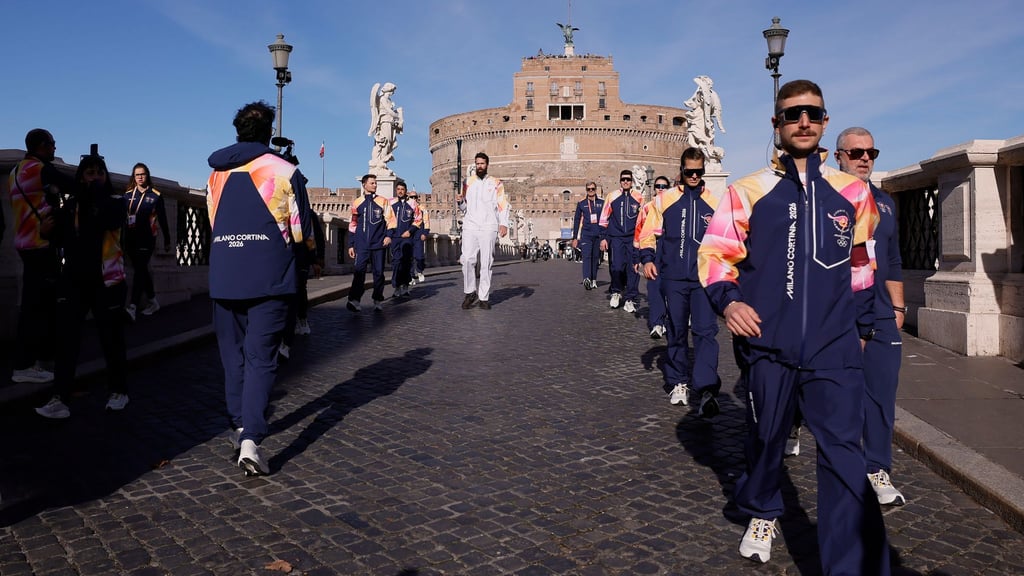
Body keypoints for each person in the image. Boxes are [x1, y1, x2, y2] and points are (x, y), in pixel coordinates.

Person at [697, 79, 889, 572]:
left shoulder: (854, 192)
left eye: (812, 113)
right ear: (776, 125)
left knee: (846, 457)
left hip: (836, 348)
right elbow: (716, 254)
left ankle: (849, 566)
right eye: (792, 113)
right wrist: (729, 302)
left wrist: (863, 329)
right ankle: (762, 507)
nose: (803, 121)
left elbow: (862, 263)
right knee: (765, 438)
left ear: (825, 122)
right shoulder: (748, 190)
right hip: (768, 346)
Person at [206, 100, 315, 476]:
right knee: (261, 358)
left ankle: (238, 424)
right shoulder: (284, 170)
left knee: (232, 357)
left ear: (236, 131)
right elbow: (300, 230)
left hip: (224, 274)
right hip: (269, 276)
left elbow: (213, 221)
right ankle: (251, 436)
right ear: (269, 132)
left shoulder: (216, 174)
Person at [836, 126, 907, 506]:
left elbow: (894, 260)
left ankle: (876, 467)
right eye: (856, 153)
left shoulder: (885, 203)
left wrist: (898, 309)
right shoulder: (825, 200)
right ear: (839, 157)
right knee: (835, 395)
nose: (864, 158)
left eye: (871, 153)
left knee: (881, 393)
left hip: (880, 311)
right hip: (835, 312)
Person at [36, 145, 130, 418]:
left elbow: (106, 221)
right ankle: (60, 397)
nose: (95, 177)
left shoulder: (114, 203)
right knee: (66, 342)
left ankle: (119, 390)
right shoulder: (71, 208)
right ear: (80, 177)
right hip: (74, 280)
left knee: (111, 339)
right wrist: (45, 231)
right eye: (89, 173)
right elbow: (59, 239)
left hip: (107, 282)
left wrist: (85, 190)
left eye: (99, 173)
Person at [640, 153, 720, 416]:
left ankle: (707, 389)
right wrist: (648, 259)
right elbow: (648, 233)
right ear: (682, 171)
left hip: (703, 279)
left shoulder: (715, 202)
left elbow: (725, 240)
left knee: (706, 332)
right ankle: (678, 382)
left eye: (699, 172)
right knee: (676, 331)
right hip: (673, 277)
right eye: (689, 172)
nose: (695, 176)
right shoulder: (664, 200)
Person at [8, 129, 68, 385]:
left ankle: (37, 360)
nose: (55, 149)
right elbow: (72, 185)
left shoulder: (15, 172)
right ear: (43, 146)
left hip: (25, 243)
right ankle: (25, 365)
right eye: (53, 145)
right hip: (40, 245)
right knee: (37, 307)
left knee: (37, 304)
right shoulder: (38, 169)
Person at [457, 152, 509, 310]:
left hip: (489, 226)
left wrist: (504, 223)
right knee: (466, 259)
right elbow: (465, 208)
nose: (479, 166)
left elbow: (502, 204)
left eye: (482, 164)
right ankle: (470, 291)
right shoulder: (467, 182)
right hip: (470, 225)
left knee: (486, 262)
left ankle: (484, 297)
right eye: (477, 163)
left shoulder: (496, 183)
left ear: (487, 165)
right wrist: (460, 203)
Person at [123, 162, 171, 321]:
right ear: (134, 177)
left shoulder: (155, 195)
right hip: (130, 239)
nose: (140, 177)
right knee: (141, 269)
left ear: (147, 175)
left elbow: (163, 219)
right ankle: (153, 301)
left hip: (147, 238)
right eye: (137, 175)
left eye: (142, 174)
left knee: (139, 270)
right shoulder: (128, 195)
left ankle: (132, 306)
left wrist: (167, 240)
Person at [347, 174, 396, 312]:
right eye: (372, 183)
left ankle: (377, 299)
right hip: (361, 245)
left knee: (378, 273)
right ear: (364, 185)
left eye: (375, 183)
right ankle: (354, 300)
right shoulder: (357, 203)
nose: (375, 185)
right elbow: (353, 224)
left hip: (378, 244)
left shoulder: (383, 201)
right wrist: (351, 244)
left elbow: (391, 220)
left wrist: (389, 236)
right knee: (359, 272)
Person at [599, 169, 643, 312]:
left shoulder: (639, 197)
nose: (625, 182)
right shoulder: (612, 196)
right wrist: (603, 238)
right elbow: (604, 218)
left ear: (632, 182)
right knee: (616, 267)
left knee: (633, 269)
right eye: (623, 179)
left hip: (633, 239)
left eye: (628, 180)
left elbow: (643, 219)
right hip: (616, 237)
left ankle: (630, 298)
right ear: (620, 181)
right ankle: (616, 291)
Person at [636, 176, 668, 339]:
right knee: (654, 288)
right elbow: (640, 229)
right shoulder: (648, 207)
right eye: (658, 186)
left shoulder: (674, 204)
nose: (661, 188)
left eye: (664, 186)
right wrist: (638, 257)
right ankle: (657, 323)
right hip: (654, 251)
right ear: (654, 188)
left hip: (672, 252)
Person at [388, 180, 421, 298]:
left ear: (405, 191)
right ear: (396, 191)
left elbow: (418, 219)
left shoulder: (412, 204)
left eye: (402, 190)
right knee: (396, 262)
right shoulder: (390, 203)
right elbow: (386, 218)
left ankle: (405, 286)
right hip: (395, 237)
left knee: (406, 262)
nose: (400, 191)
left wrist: (410, 231)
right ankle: (396, 286)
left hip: (407, 237)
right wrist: (388, 234)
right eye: (398, 190)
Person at [571, 183, 604, 289]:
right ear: (586, 190)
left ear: (596, 190)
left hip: (598, 234)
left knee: (595, 258)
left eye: (592, 189)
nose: (591, 190)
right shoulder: (581, 204)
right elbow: (576, 220)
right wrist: (575, 237)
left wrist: (605, 237)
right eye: (588, 189)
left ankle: (594, 279)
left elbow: (606, 219)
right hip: (586, 235)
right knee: (586, 256)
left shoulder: (602, 203)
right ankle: (586, 278)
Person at [410, 191, 429, 284]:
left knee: (419, 256)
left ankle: (420, 271)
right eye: (411, 197)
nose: (413, 199)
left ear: (417, 198)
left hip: (419, 234)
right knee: (409, 257)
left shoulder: (422, 208)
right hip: (409, 234)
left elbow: (426, 221)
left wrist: (425, 233)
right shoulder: (406, 207)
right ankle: (411, 276)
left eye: (414, 197)